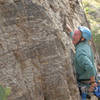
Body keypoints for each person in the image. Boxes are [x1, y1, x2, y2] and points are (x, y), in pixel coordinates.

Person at [66, 24, 97, 99]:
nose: (73, 36)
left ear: (82, 39)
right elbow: (76, 39)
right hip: (89, 78)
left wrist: (92, 83)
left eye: (76, 34)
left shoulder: (80, 53)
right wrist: (70, 31)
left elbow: (90, 67)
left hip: (85, 81)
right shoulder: (84, 44)